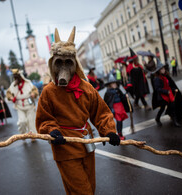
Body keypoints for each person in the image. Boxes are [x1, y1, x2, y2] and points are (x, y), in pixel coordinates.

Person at [36, 27, 120, 194]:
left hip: (86, 144)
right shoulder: (48, 92)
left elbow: (101, 112)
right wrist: (52, 131)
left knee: (88, 186)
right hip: (65, 147)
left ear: (75, 64)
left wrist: (109, 130)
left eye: (68, 63)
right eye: (59, 62)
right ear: (53, 64)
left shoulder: (86, 88)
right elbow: (44, 118)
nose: (64, 67)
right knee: (83, 192)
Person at [6, 69, 39, 140]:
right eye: (15, 78)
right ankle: (23, 135)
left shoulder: (28, 83)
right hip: (20, 106)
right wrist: (11, 97)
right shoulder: (13, 85)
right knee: (22, 122)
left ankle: (33, 136)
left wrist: (33, 93)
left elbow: (35, 90)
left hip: (29, 105)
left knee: (31, 122)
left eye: (17, 77)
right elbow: (8, 93)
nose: (16, 79)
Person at [152, 60, 182, 127]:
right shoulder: (157, 79)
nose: (163, 70)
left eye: (163, 68)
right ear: (159, 71)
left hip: (168, 95)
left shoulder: (165, 77)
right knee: (162, 108)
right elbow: (158, 89)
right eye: (162, 69)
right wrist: (166, 92)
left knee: (172, 107)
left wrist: (173, 89)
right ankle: (157, 118)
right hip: (162, 96)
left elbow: (168, 86)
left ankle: (175, 122)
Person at [104, 74, 131, 140]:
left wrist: (125, 96)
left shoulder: (118, 90)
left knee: (120, 120)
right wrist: (110, 109)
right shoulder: (108, 92)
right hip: (115, 107)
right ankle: (119, 134)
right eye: (112, 83)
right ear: (110, 84)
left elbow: (122, 97)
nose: (114, 84)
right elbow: (106, 102)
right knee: (119, 120)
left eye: (115, 83)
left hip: (120, 106)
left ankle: (120, 133)